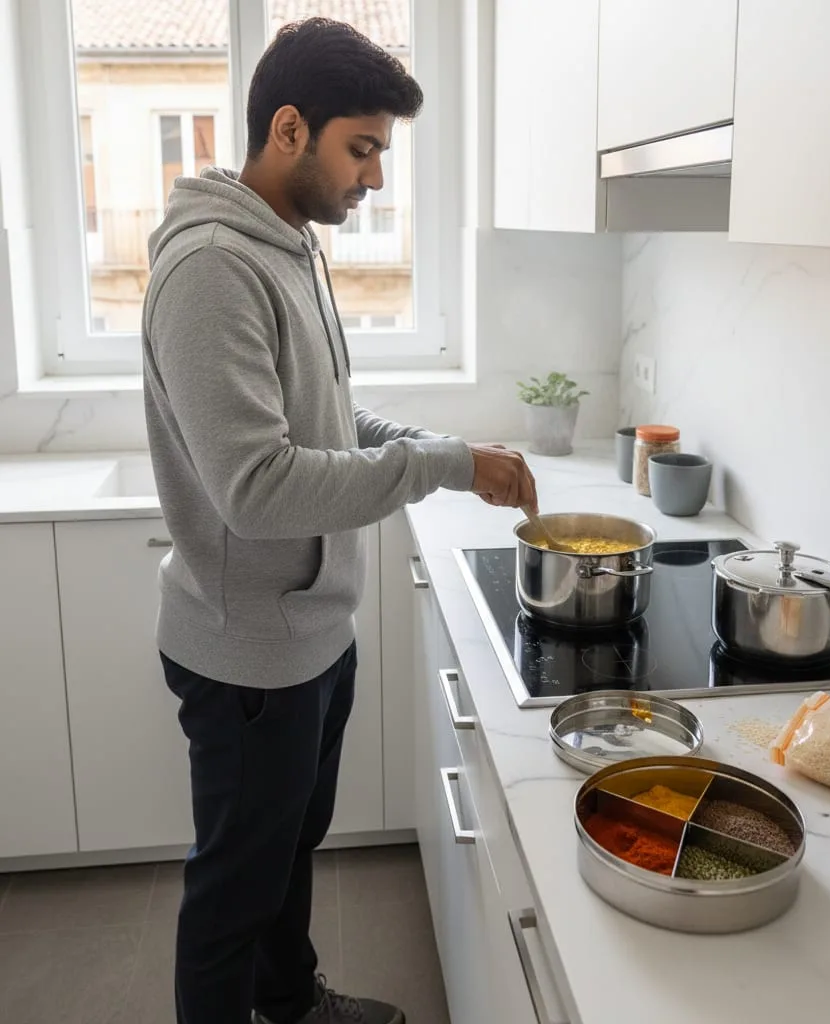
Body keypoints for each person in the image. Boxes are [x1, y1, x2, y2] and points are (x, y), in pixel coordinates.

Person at [141, 18, 537, 1024]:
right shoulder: (211, 269)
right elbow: (260, 485)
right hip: (248, 660)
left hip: (311, 634)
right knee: (233, 888)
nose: (372, 177)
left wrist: (447, 449)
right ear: (287, 129)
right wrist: (438, 464)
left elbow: (323, 412)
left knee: (287, 847)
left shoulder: (289, 249)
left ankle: (289, 1003)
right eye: (359, 149)